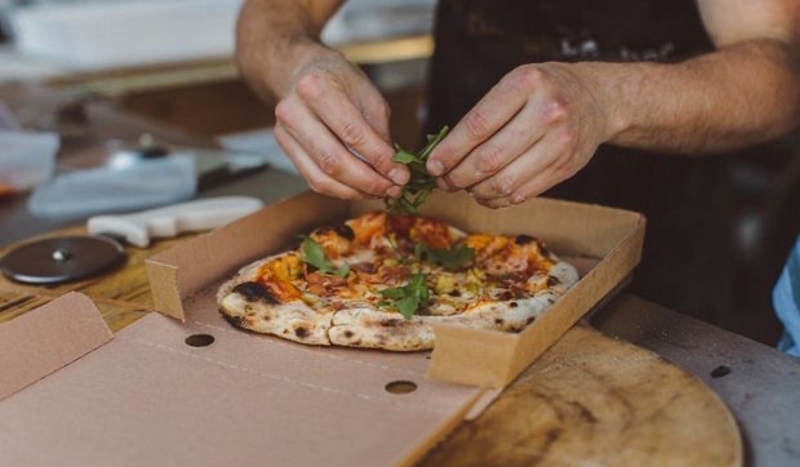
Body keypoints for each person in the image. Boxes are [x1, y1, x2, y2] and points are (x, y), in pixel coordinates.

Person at [235, 0, 800, 335]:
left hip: (660, 255)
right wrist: (299, 68)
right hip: (450, 236)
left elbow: (779, 69)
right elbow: (271, 18)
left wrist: (609, 99)